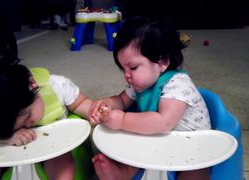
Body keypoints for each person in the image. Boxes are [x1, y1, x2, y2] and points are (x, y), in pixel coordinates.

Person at [89, 16, 211, 180]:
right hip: (160, 139)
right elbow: (122, 100)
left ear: (162, 62)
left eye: (133, 67)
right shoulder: (141, 83)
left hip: (191, 143)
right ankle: (122, 173)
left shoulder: (178, 85)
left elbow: (163, 122)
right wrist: (108, 103)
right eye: (122, 69)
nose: (127, 75)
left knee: (196, 169)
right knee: (134, 146)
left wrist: (122, 120)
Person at [0, 64, 93, 180]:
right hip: (9, 147)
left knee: (62, 164)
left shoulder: (58, 87)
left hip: (54, 144)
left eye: (28, 117)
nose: (28, 126)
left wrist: (95, 112)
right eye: (15, 127)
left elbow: (81, 103)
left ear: (33, 85)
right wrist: (6, 138)